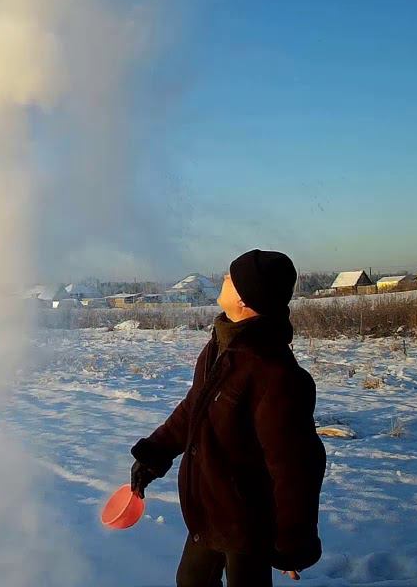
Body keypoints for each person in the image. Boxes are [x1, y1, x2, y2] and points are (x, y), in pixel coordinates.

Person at [130, 249, 326, 587]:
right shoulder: (219, 347)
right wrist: (155, 453)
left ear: (246, 300)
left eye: (232, 278)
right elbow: (195, 408)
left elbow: (295, 467)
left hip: (247, 522)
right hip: (210, 510)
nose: (224, 277)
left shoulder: (274, 374)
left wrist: (292, 542)